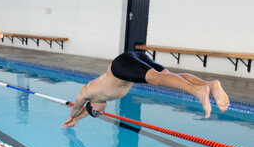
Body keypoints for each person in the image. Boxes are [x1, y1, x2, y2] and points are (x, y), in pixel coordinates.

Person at [62, 51, 230, 128]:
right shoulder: (101, 99)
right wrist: (80, 119)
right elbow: (87, 111)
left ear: (90, 105)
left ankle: (197, 91)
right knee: (169, 76)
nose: (103, 111)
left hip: (121, 65)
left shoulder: (88, 92)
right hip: (135, 59)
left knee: (155, 79)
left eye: (99, 112)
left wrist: (72, 117)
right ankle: (209, 85)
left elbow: (78, 107)